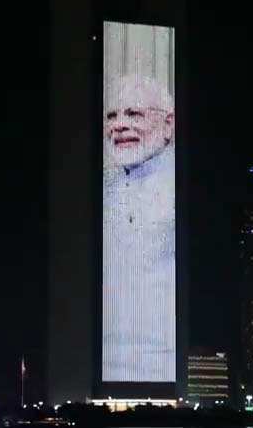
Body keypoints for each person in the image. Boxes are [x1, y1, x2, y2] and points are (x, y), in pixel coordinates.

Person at [102, 73, 176, 382]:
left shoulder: (180, 190)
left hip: (163, 362)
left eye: (133, 113)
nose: (118, 125)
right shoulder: (104, 188)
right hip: (108, 360)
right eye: (111, 115)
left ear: (169, 124)